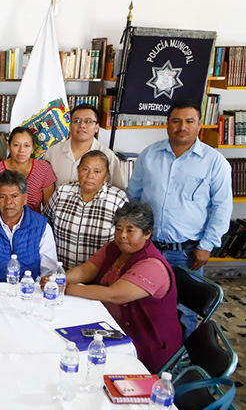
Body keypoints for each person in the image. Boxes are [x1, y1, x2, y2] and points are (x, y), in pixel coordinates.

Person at [126, 98, 232, 335]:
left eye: (189, 121)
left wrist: (206, 246)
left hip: (187, 252)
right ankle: (149, 354)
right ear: (167, 124)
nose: (182, 127)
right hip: (149, 248)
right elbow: (134, 197)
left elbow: (222, 208)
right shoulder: (149, 155)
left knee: (184, 312)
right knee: (143, 304)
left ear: (199, 125)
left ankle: (182, 357)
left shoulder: (215, 162)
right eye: (176, 121)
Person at [42, 202, 182, 373]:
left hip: (145, 342)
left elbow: (114, 294)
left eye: (130, 230)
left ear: (147, 233)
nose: (122, 235)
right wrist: (57, 279)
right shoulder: (113, 248)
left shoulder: (152, 265)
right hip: (109, 326)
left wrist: (65, 288)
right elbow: (86, 270)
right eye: (118, 229)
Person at [0, 170, 57, 282]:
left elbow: (48, 270)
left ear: (25, 199)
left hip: (31, 289)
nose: (8, 201)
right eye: (2, 196)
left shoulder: (41, 227)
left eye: (14, 196)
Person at [43, 150, 129, 270]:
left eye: (97, 171)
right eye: (85, 169)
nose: (90, 176)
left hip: (100, 274)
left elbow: (125, 239)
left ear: (106, 175)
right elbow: (46, 224)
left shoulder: (118, 199)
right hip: (61, 272)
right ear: (78, 170)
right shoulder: (62, 192)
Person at [43, 104, 125, 190]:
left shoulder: (108, 156)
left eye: (88, 121)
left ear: (97, 127)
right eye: (77, 121)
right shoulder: (52, 153)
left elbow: (118, 191)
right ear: (70, 126)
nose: (82, 125)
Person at [0, 126, 56, 213]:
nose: (21, 150)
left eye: (27, 145)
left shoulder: (43, 168)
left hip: (34, 220)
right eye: (16, 145)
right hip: (3, 220)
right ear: (9, 147)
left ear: (33, 148)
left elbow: (49, 210)